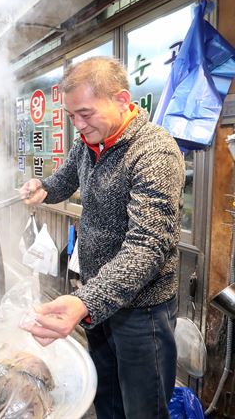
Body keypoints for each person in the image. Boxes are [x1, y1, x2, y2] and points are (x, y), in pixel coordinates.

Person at [19, 56, 185, 419]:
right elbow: (65, 179)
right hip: (98, 304)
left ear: (123, 100)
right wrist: (43, 188)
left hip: (143, 312)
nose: (78, 124)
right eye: (72, 116)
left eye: (85, 113)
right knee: (106, 399)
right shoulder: (88, 141)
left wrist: (84, 303)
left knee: (144, 409)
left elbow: (146, 247)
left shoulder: (154, 152)